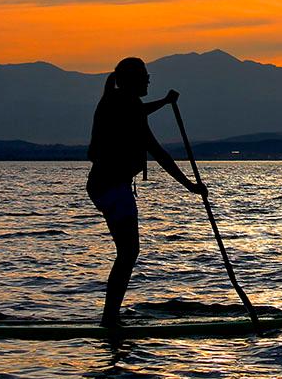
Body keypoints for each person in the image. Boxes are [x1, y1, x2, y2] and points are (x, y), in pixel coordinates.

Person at [86, 56, 206, 326]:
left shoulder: (127, 105)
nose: (149, 80)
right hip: (110, 187)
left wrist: (163, 103)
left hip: (113, 187)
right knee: (128, 252)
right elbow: (158, 152)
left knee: (128, 252)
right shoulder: (119, 103)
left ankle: (110, 316)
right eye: (144, 77)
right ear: (131, 80)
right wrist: (190, 186)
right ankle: (110, 318)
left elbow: (144, 126)